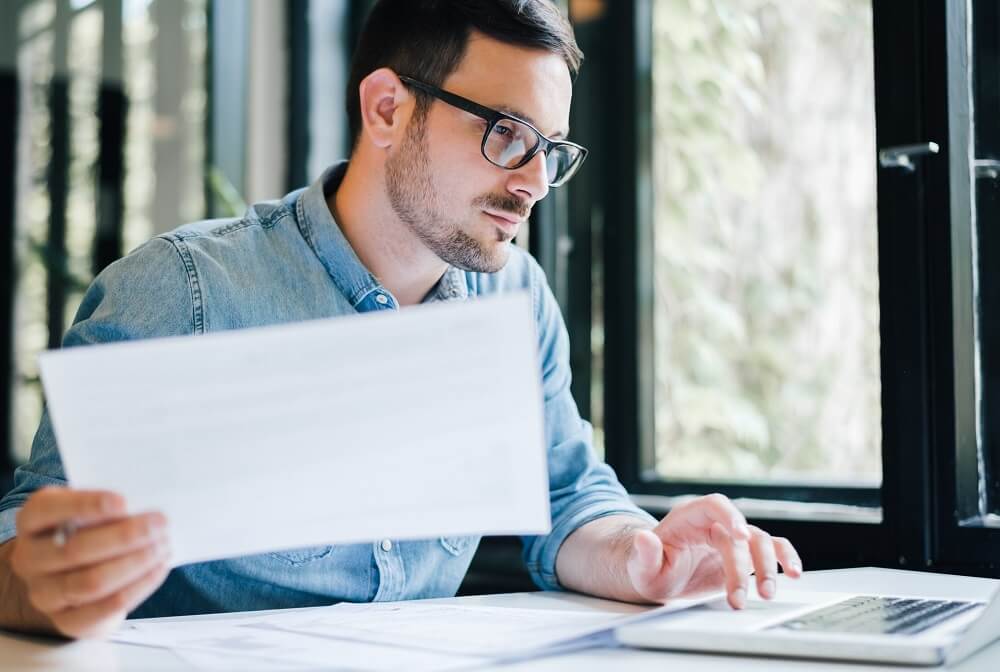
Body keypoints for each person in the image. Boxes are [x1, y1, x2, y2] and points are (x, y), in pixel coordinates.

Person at [0, 0, 801, 640]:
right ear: (387, 109)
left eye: (550, 150)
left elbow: (563, 498)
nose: (532, 181)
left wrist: (644, 556)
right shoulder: (183, 292)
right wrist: (44, 585)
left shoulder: (515, 300)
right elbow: (22, 550)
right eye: (507, 135)